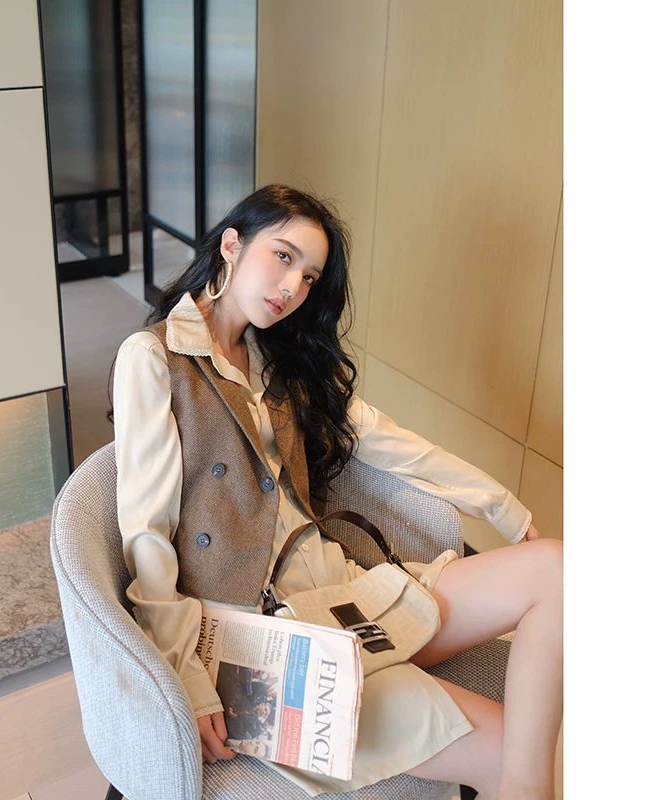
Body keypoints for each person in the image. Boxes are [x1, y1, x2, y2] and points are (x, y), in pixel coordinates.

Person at [113, 184, 562, 799]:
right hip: (253, 640)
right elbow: (147, 535)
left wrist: (504, 510)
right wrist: (183, 674)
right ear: (232, 245)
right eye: (283, 256)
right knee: (518, 753)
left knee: (558, 569)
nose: (292, 287)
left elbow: (391, 442)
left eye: (309, 276)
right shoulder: (153, 358)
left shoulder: (276, 359)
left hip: (344, 594)